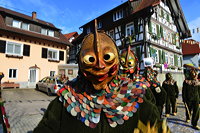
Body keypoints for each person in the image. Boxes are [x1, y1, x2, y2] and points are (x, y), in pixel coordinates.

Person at [33, 29, 169, 133]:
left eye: (107, 57)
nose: (99, 66)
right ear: (80, 62)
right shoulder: (64, 102)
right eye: (90, 59)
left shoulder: (137, 96)